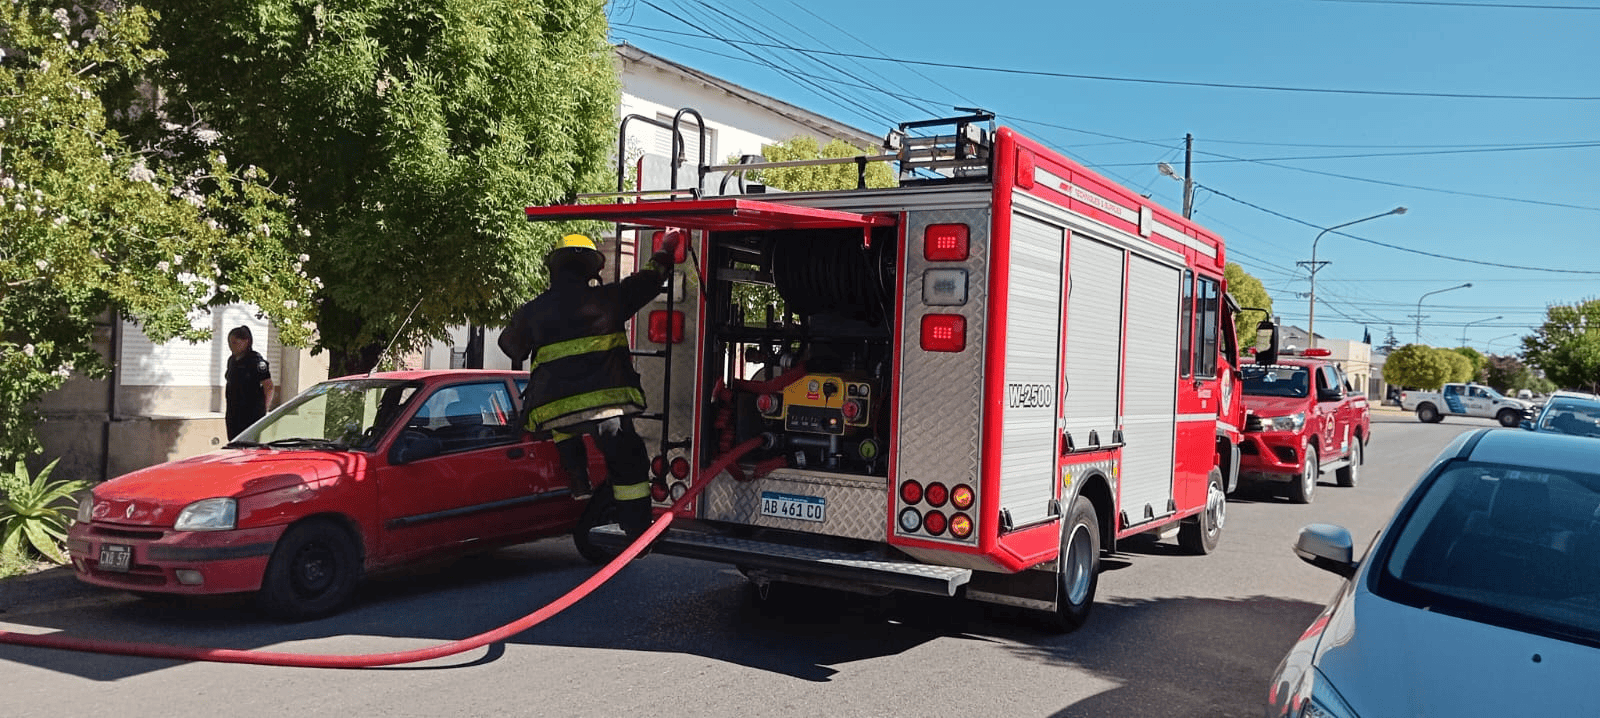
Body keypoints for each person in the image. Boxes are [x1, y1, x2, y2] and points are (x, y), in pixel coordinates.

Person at [498, 233, 678, 539]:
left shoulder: (534, 310)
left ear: (553, 269)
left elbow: (509, 346)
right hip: (605, 410)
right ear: (592, 270)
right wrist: (666, 251)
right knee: (627, 461)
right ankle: (636, 533)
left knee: (565, 421)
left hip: (556, 411)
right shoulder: (610, 300)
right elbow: (648, 281)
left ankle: (577, 475)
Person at [224, 325, 274, 439]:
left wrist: (264, 410)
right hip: (233, 412)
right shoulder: (232, 361)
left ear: (246, 341)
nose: (231, 346)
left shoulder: (256, 361)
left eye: (235, 342)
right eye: (230, 343)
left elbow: (269, 386)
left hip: (251, 413)